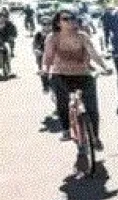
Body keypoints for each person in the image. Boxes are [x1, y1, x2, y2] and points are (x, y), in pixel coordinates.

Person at [42, 10, 112, 147]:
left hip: (83, 74)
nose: (70, 21)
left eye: (72, 18)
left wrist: (105, 66)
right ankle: (66, 130)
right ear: (58, 23)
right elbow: (48, 57)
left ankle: (95, 137)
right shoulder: (52, 37)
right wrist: (44, 69)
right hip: (61, 74)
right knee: (62, 102)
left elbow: (93, 53)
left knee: (92, 107)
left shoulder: (82, 36)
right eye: (66, 19)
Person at [33, 15, 53, 94]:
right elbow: (35, 45)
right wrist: (36, 50)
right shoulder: (38, 34)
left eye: (48, 24)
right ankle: (45, 86)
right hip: (43, 55)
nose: (46, 26)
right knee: (42, 69)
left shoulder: (56, 33)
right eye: (44, 24)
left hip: (55, 55)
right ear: (41, 25)